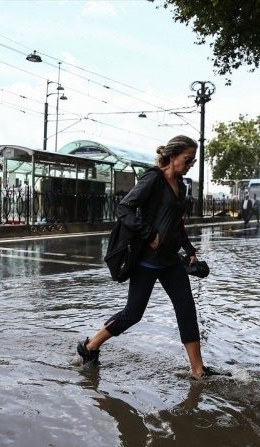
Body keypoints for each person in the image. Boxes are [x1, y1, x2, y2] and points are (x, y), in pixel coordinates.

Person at [76, 135, 227, 380]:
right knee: (133, 314)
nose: (190, 165)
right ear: (172, 156)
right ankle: (90, 346)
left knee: (187, 311)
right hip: (146, 261)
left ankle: (198, 371)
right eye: (188, 160)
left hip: (170, 261)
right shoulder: (153, 178)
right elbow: (123, 208)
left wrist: (189, 251)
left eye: (193, 161)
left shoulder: (182, 185)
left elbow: (177, 224)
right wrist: (149, 234)